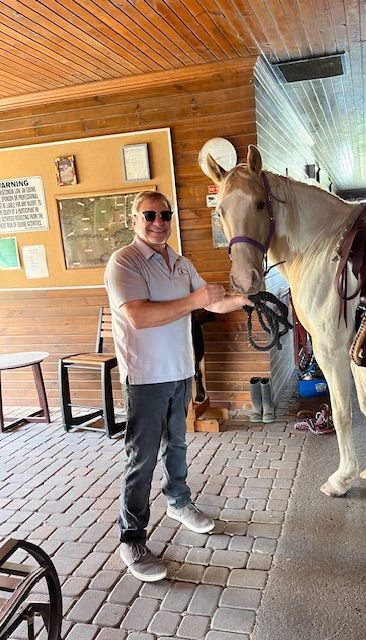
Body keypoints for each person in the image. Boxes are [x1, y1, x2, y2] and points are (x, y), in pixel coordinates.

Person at [104, 190, 251, 582]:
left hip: (181, 371)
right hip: (146, 377)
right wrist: (195, 299)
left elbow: (211, 302)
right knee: (142, 459)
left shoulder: (181, 263)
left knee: (178, 445)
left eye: (165, 215)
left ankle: (179, 502)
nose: (158, 222)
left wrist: (242, 300)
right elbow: (138, 317)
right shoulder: (125, 262)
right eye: (149, 215)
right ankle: (132, 537)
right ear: (134, 220)